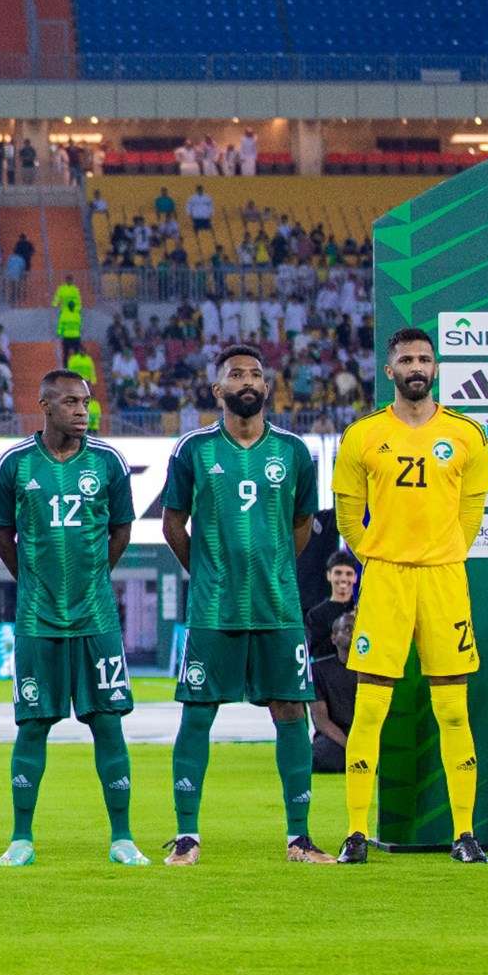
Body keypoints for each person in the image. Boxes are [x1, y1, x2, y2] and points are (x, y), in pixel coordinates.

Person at [160, 345, 334, 865]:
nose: (247, 380)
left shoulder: (294, 452)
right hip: (215, 610)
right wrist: (211, 569)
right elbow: (174, 525)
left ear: (267, 387)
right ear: (218, 390)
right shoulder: (194, 450)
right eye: (235, 374)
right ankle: (188, 836)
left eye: (256, 373)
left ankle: (298, 838)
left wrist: (273, 566)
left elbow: (302, 526)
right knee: (197, 713)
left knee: (289, 711)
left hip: (279, 609)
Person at [331, 327, 488, 864]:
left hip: (444, 579)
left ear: (436, 367)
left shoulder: (466, 434)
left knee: (452, 708)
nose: (416, 366)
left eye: (424, 358)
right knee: (371, 707)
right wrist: (382, 554)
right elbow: (350, 518)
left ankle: (464, 834)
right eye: (406, 359)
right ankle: (356, 832)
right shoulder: (363, 435)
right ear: (391, 368)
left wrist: (440, 553)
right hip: (386, 580)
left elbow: (471, 514)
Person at [0, 369, 146, 867]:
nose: (83, 411)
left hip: (96, 620)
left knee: (108, 724)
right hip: (38, 621)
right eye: (73, 403)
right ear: (46, 405)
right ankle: (20, 838)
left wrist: (94, 576)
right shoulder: (13, 464)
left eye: (87, 402)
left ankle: (122, 838)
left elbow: (120, 530)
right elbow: (1, 536)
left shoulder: (108, 461)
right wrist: (34, 582)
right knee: (32, 726)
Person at [311, 612, 357, 773]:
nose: (353, 633)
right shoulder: (318, 670)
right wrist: (349, 745)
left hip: (367, 732)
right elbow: (321, 720)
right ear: (333, 638)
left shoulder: (373, 670)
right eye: (348, 629)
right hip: (336, 737)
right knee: (322, 756)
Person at [305, 551, 360, 658]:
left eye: (349, 574)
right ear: (329, 575)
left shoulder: (362, 609)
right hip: (328, 671)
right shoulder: (315, 615)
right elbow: (314, 651)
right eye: (338, 573)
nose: (343, 579)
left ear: (355, 577)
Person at [52, 277, 83, 359]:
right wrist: (54, 304)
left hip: (74, 311)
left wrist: (78, 309)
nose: (70, 281)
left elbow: (78, 301)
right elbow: (57, 297)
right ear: (66, 280)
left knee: (75, 353)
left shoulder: (75, 289)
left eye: (71, 280)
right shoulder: (62, 289)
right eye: (68, 280)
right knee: (66, 353)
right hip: (65, 310)